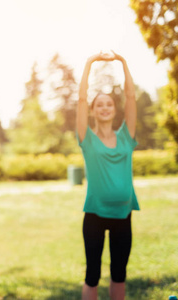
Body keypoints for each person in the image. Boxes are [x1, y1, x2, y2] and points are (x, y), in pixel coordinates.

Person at [77, 51, 140, 300]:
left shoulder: (126, 136)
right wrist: (89, 63)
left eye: (109, 104)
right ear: (93, 111)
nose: (104, 107)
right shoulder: (87, 140)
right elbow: (81, 99)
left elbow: (132, 98)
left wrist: (123, 62)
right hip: (94, 214)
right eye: (99, 104)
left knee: (119, 273)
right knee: (92, 273)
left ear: (115, 110)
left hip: (123, 213)